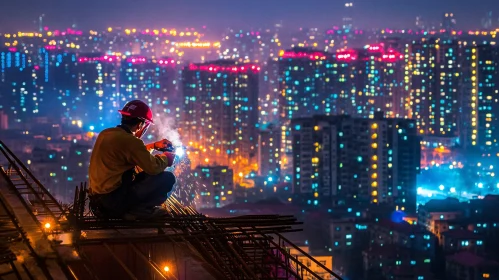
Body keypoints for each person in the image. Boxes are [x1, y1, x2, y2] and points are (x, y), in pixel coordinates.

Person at [88, 100, 176, 220]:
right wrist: (166, 158)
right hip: (114, 202)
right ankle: (137, 211)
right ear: (141, 124)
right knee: (167, 178)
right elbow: (153, 167)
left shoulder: (106, 134)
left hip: (98, 202)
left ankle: (129, 210)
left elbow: (128, 152)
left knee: (140, 175)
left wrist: (154, 146)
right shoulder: (131, 141)